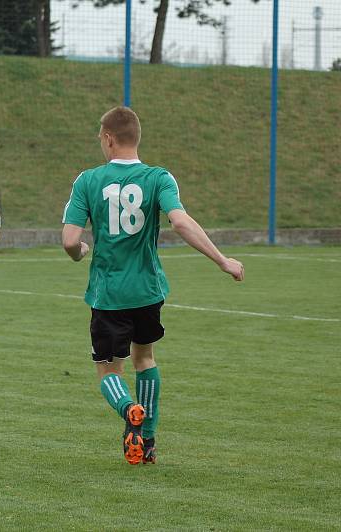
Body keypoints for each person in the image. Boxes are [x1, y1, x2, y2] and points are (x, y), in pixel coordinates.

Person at [61, 106, 244, 465]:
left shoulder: (87, 181)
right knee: (144, 359)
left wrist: (80, 251)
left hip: (108, 294)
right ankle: (146, 441)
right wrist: (222, 260)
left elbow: (70, 240)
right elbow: (180, 222)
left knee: (108, 369)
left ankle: (129, 408)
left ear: (109, 139)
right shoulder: (159, 178)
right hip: (147, 291)